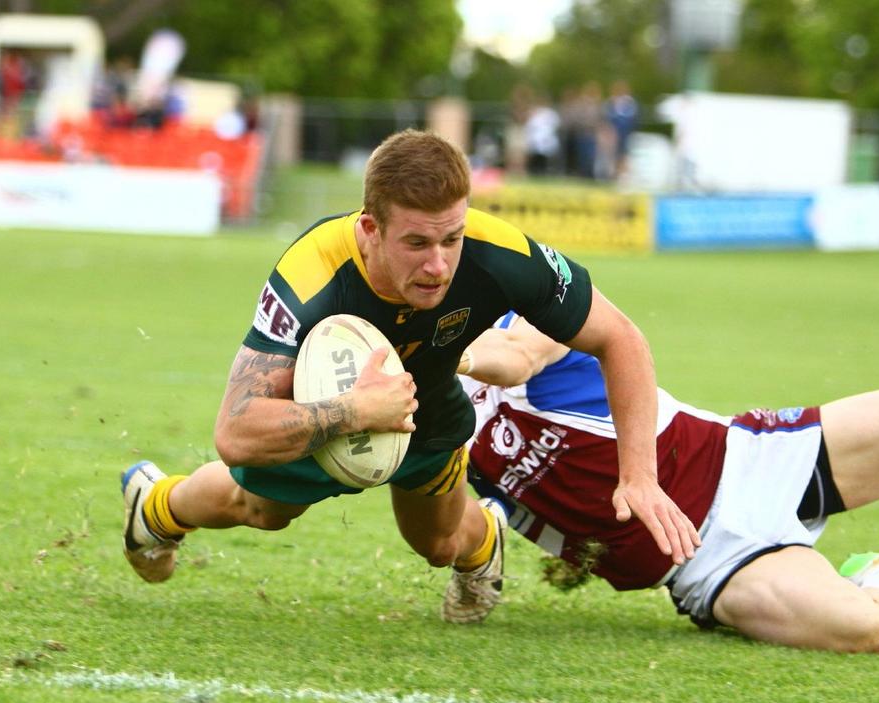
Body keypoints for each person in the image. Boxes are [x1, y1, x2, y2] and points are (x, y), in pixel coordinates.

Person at [119, 130, 700, 624]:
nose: (439, 263)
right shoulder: (311, 273)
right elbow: (236, 430)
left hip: (429, 409)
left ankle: (483, 546)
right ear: (371, 228)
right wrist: (353, 411)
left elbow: (619, 338)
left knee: (438, 544)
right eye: (417, 242)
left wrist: (640, 476)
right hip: (320, 403)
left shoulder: (498, 252)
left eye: (452, 238)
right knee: (262, 511)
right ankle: (156, 508)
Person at [454, 314, 879, 651]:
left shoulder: (521, 313)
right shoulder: (434, 434)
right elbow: (455, 526)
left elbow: (514, 360)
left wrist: (437, 350)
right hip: (706, 562)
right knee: (876, 632)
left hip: (756, 456)